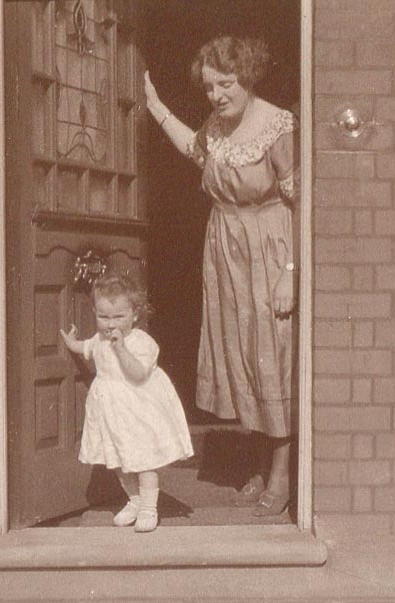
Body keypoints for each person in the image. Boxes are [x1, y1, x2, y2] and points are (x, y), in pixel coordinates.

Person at [143, 36, 299, 516]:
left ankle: (281, 474)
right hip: (225, 252)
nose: (217, 96)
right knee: (240, 357)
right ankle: (255, 465)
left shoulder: (276, 126)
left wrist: (290, 273)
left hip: (271, 248)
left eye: (226, 84)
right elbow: (194, 148)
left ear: (247, 78)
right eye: (210, 87)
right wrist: (155, 107)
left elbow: (302, 204)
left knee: (272, 358)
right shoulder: (214, 127)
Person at [60, 273, 194, 532]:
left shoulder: (142, 342)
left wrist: (121, 348)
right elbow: (85, 347)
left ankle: (148, 507)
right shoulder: (99, 339)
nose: (111, 325)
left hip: (137, 410)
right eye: (103, 317)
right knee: (118, 459)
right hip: (110, 412)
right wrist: (70, 342)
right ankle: (134, 499)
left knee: (143, 459)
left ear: (135, 314)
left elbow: (138, 373)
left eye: (118, 317)